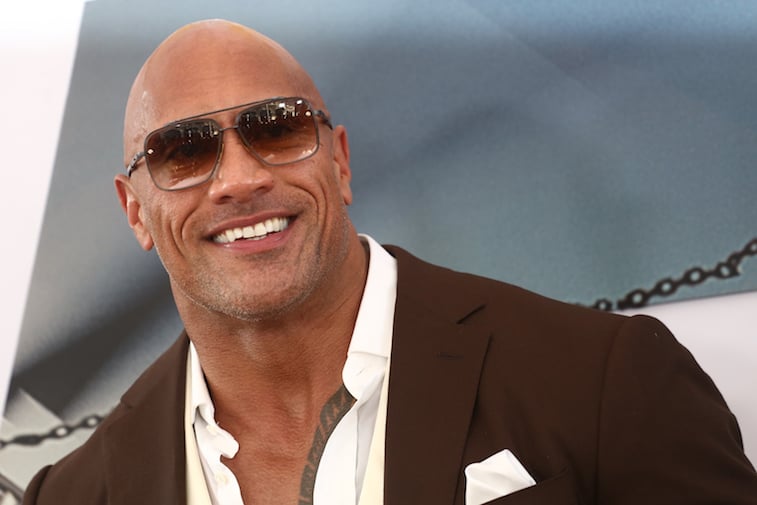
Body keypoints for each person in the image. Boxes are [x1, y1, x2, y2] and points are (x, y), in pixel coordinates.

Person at [22, 18, 757, 505]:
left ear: (339, 162)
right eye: (182, 152)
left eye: (277, 129)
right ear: (135, 211)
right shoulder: (76, 496)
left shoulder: (602, 378)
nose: (239, 179)